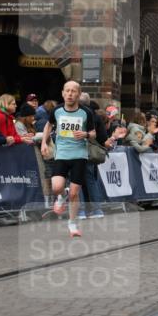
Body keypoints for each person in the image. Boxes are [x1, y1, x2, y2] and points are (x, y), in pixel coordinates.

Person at [42, 81, 95, 237]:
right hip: (62, 154)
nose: (70, 94)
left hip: (79, 155)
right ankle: (61, 195)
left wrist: (85, 134)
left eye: (73, 91)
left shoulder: (86, 112)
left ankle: (72, 224)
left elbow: (93, 133)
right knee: (56, 187)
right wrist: (44, 142)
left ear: (78, 94)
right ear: (63, 93)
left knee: (74, 194)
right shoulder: (57, 110)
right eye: (67, 91)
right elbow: (48, 125)